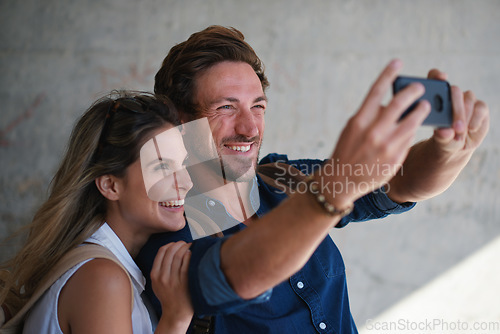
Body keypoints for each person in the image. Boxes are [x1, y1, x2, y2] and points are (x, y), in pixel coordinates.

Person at [137, 26, 490, 333]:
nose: (249, 128)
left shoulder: (283, 179)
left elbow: (401, 181)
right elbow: (240, 272)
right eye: (226, 108)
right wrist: (332, 189)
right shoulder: (168, 222)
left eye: (258, 107)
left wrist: (449, 148)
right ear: (180, 121)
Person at [0, 92, 194, 333]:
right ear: (110, 185)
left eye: (183, 164)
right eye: (162, 167)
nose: (186, 183)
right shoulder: (102, 278)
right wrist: (176, 317)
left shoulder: (109, 267)